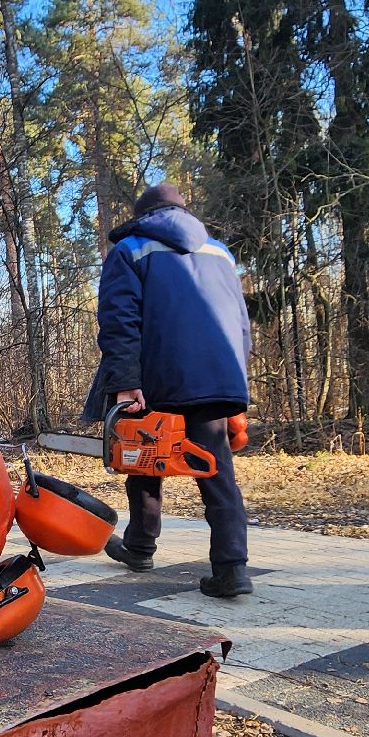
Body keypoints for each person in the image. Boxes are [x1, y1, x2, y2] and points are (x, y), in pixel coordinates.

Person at [83, 182, 254, 598]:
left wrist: (126, 383)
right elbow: (241, 325)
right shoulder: (220, 253)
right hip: (216, 378)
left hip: (158, 374)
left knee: (143, 456)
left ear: (142, 216)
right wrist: (235, 386)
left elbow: (119, 321)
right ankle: (231, 568)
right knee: (217, 471)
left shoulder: (130, 250)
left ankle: (141, 546)